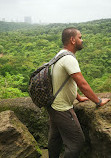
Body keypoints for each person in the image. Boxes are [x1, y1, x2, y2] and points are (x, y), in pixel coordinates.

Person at [47, 27, 110, 158]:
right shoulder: (69, 59)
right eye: (80, 37)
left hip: (53, 105)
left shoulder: (60, 55)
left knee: (55, 139)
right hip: (62, 108)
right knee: (76, 143)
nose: (82, 40)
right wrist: (98, 101)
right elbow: (82, 84)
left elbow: (65, 81)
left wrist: (78, 97)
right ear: (72, 40)